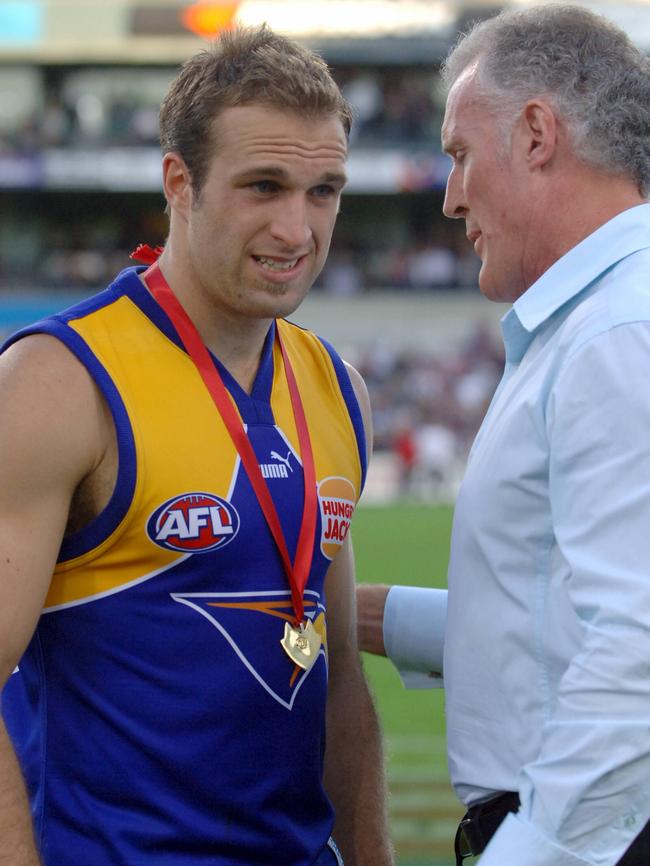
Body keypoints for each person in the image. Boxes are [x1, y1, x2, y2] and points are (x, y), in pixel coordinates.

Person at [0, 26, 393, 866]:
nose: (298, 229)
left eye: (324, 191)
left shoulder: (337, 389)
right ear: (178, 182)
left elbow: (342, 680)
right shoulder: (58, 383)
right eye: (264, 186)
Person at [357, 5, 650, 865]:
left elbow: (635, 646)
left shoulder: (615, 333)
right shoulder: (599, 320)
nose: (450, 197)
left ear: (534, 134)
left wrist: (532, 853)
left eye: (459, 154)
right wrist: (365, 617)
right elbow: (564, 616)